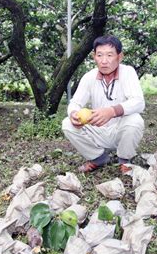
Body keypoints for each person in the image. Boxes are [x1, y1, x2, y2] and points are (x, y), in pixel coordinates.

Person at [62, 35, 145, 174]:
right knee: (67, 124)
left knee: (135, 120)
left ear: (120, 57)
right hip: (98, 129)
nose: (104, 61)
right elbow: (75, 103)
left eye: (109, 55)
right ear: (94, 56)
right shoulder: (89, 77)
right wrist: (73, 114)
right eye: (100, 55)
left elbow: (138, 102)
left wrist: (112, 111)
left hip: (120, 129)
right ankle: (98, 158)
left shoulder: (128, 72)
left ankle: (125, 161)